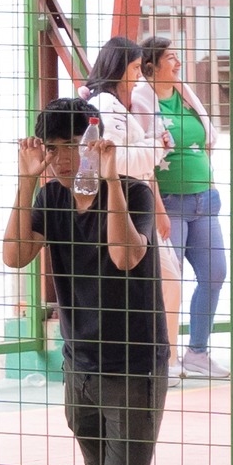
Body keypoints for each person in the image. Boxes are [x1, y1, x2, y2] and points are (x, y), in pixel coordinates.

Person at [4, 96, 169, 465]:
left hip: (134, 362)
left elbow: (126, 255)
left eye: (68, 148)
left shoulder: (134, 192)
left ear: (91, 143)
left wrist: (112, 180)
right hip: (80, 363)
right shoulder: (49, 196)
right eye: (50, 150)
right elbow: (15, 255)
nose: (59, 160)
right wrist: (26, 182)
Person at [137, 34, 228, 379]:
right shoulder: (141, 100)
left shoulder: (185, 94)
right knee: (169, 282)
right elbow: (143, 159)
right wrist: (157, 209)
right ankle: (167, 357)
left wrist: (210, 183)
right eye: (171, 57)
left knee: (215, 273)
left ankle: (197, 353)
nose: (178, 62)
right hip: (169, 203)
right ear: (151, 66)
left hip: (204, 200)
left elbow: (206, 140)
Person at [85, 36, 176, 378]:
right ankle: (159, 359)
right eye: (136, 67)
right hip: (121, 204)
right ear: (119, 68)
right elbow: (115, 160)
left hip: (135, 201)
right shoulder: (105, 106)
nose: (139, 75)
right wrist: (157, 146)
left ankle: (161, 358)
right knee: (164, 280)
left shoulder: (118, 104)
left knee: (164, 280)